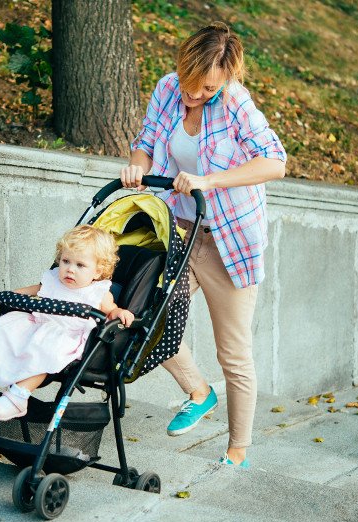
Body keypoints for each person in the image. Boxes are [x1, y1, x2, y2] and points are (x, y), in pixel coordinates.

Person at [120, 22, 286, 468]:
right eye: (189, 86)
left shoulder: (236, 104)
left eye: (205, 88)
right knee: (144, 316)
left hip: (227, 240)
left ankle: (237, 451)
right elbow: (147, 142)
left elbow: (275, 162)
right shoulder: (169, 88)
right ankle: (198, 390)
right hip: (178, 231)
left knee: (232, 351)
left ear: (226, 75)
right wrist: (137, 166)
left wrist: (208, 180)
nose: (193, 96)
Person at [0, 225, 134, 430]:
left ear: (98, 271)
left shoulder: (98, 292)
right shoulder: (52, 280)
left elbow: (111, 310)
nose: (70, 269)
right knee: (0, 331)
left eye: (80, 265)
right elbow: (33, 291)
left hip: (65, 335)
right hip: (37, 324)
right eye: (65, 261)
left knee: (45, 349)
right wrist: (13, 295)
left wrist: (119, 313)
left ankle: (17, 397)